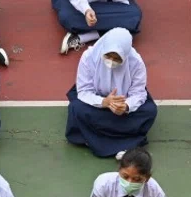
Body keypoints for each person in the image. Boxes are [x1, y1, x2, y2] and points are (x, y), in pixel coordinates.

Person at [66, 28, 158, 159]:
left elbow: (138, 93)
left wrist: (125, 106)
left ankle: (93, 138)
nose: (111, 61)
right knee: (77, 108)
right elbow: (84, 90)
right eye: (108, 55)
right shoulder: (89, 57)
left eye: (117, 58)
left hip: (123, 102)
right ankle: (127, 142)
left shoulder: (136, 62)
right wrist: (104, 102)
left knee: (149, 111)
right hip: (97, 102)